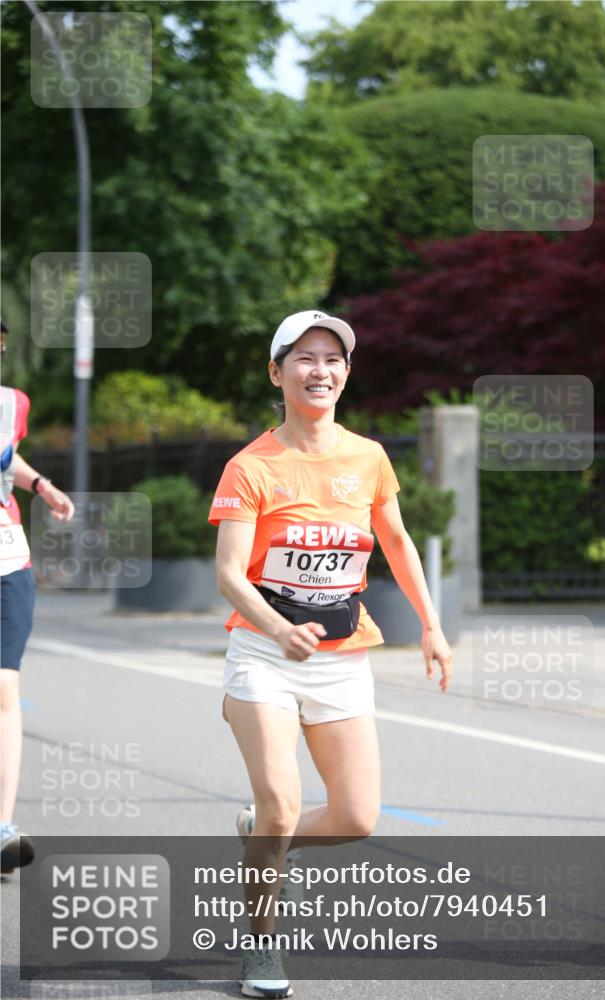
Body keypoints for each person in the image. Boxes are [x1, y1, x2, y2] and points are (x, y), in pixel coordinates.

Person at [209, 309, 453, 999]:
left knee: (354, 818)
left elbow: (396, 542)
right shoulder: (251, 466)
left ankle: (263, 841)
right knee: (281, 807)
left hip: (342, 657)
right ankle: (262, 945)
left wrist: (431, 626)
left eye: (333, 359)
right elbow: (228, 573)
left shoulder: (367, 457)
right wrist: (276, 628)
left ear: (345, 373)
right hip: (264, 655)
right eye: (305, 358)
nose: (321, 371)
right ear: (276, 373)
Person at [0, 320, 75, 873]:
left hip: (8, 560)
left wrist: (40, 485)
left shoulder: (12, 403)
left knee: (4, 688)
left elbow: (7, 458)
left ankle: (1, 827)